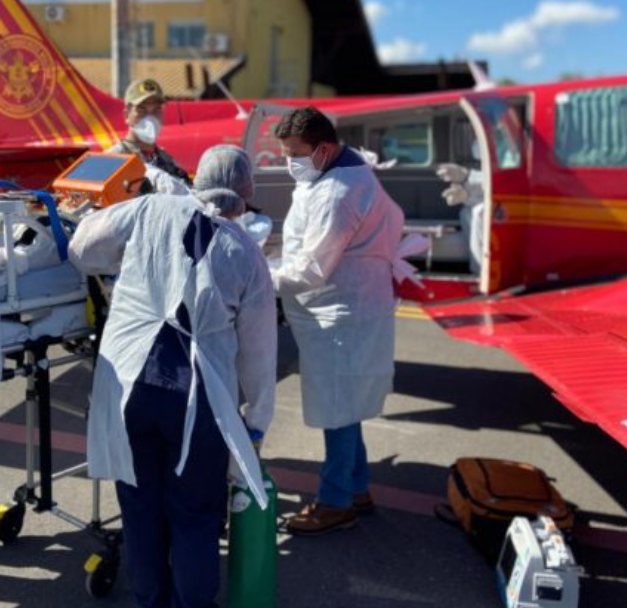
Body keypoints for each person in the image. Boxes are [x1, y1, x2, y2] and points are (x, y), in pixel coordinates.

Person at [68, 145, 276, 608]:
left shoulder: (148, 208)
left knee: (140, 508)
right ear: (246, 192)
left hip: (130, 385)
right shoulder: (244, 250)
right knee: (195, 514)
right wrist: (255, 421)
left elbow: (82, 249)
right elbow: (259, 353)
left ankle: (148, 598)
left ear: (197, 178)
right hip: (195, 401)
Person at [271, 106, 404, 536]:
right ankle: (357, 487)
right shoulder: (341, 172)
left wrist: (256, 274)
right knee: (348, 405)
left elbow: (311, 270)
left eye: (295, 152)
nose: (290, 160)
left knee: (338, 410)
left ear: (323, 149)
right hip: (351, 307)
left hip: (341, 314)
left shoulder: (339, 192)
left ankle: (335, 502)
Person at [108, 78, 192, 193]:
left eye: (156, 110)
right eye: (142, 110)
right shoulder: (113, 159)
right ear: (126, 115)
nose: (150, 118)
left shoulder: (167, 161)